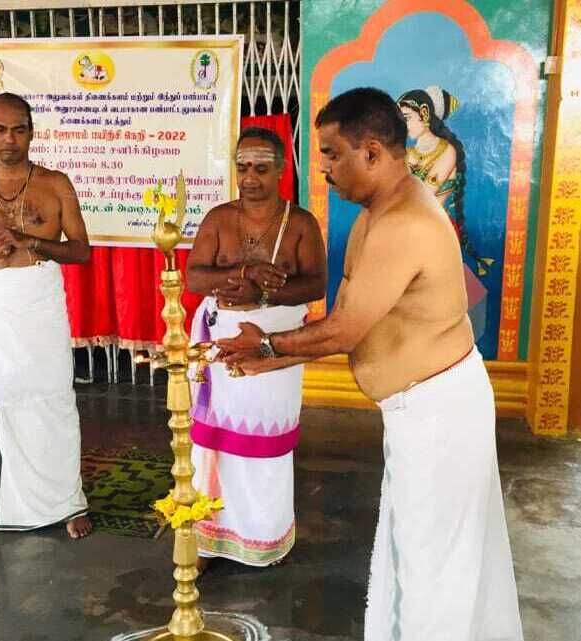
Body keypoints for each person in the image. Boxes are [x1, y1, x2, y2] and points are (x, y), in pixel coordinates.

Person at [218, 89, 523, 640]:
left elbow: (344, 329)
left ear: (373, 152)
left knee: (435, 565)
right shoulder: (376, 214)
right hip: (418, 413)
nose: (324, 168)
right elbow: (352, 318)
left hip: (439, 415)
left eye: (332, 154)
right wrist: (271, 356)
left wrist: (268, 346)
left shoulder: (404, 221)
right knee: (418, 553)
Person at [0, 92, 92, 539]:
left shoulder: (55, 183)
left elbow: (81, 251)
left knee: (53, 401)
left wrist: (30, 242)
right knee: (0, 403)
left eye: (18, 129)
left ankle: (68, 503)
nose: (9, 139)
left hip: (37, 303)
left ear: (32, 133)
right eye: (0, 129)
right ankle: (4, 506)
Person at [186, 126, 327, 570]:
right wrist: (245, 273)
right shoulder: (218, 219)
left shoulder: (300, 224)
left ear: (281, 170)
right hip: (221, 341)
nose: (250, 178)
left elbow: (316, 284)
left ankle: (263, 538)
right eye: (243, 167)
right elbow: (194, 277)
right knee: (214, 445)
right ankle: (207, 542)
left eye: (261, 169)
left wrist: (266, 293)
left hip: (273, 349)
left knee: (265, 443)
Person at [397, 86, 491, 340]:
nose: (403, 126)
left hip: (435, 229)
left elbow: (423, 196)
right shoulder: (409, 154)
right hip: (407, 226)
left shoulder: (446, 152)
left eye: (407, 118)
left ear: (424, 114)